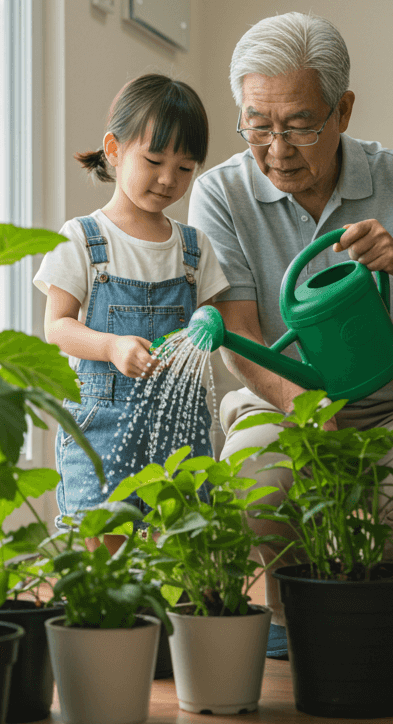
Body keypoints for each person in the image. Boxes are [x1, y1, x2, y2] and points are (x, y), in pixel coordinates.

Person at [187, 12, 393, 660]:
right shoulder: (220, 193)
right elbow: (240, 336)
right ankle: (293, 612)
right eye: (257, 125)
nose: (277, 148)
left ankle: (391, 604)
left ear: (343, 110)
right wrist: (303, 406)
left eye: (298, 125)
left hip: (392, 406)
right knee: (256, 474)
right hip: (278, 403)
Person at [34, 73, 230, 553]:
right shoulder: (82, 238)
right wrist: (110, 345)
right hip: (101, 428)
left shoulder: (193, 247)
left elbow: (213, 323)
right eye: (155, 160)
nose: (168, 180)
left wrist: (214, 330)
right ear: (114, 149)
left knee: (178, 551)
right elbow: (56, 327)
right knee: (104, 548)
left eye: (186, 168)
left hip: (180, 431)